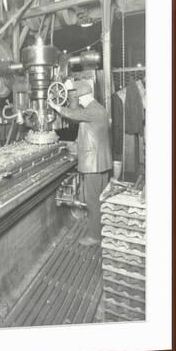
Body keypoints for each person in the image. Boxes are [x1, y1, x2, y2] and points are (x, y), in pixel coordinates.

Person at [50, 80, 112, 246]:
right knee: (99, 199)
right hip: (102, 163)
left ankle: (94, 236)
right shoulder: (98, 109)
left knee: (92, 201)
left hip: (94, 164)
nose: (78, 101)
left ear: (83, 97)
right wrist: (71, 87)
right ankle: (100, 231)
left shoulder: (93, 111)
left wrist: (56, 106)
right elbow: (78, 113)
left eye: (78, 97)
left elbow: (74, 114)